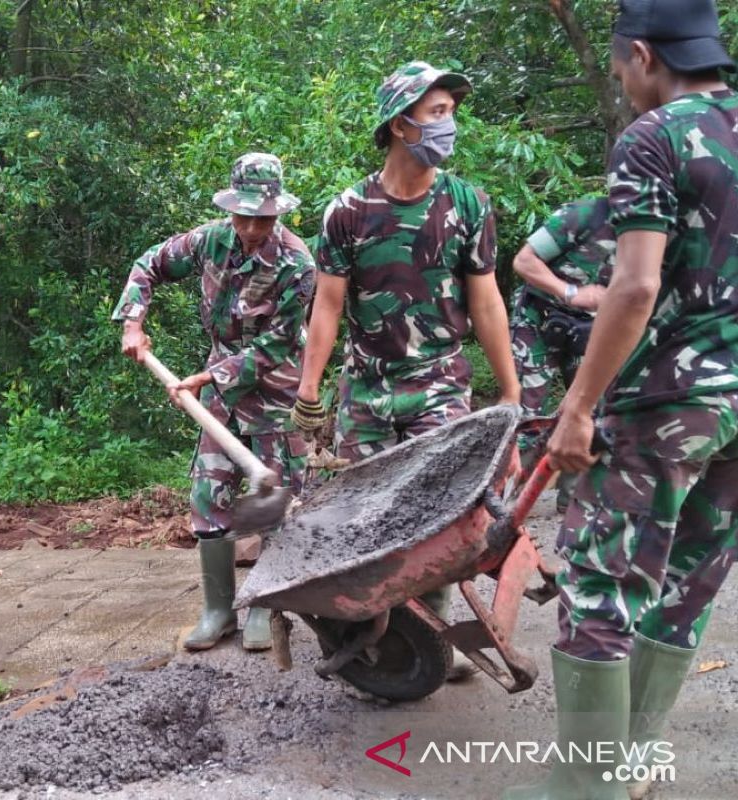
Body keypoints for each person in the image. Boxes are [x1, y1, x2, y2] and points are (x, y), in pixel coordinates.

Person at [508, 2, 737, 798]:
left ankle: (583, 787)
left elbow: (634, 285)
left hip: (666, 407)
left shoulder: (656, 136)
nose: (621, 83)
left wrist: (576, 408)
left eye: (618, 69)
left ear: (643, 54)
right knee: (691, 579)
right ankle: (631, 761)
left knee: (603, 584)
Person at [292, 61, 520, 678]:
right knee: (360, 519)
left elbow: (487, 300)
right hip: (365, 388)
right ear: (401, 124)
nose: (450, 126)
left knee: (438, 515)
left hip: (440, 383)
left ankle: (431, 641)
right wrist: (309, 389)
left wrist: (509, 389)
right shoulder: (348, 211)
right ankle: (368, 632)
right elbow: (328, 305)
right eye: (438, 114)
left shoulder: (467, 203)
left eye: (451, 113)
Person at [114, 152, 315, 653]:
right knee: (210, 495)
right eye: (243, 215)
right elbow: (149, 264)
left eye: (262, 218)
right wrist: (133, 322)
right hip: (221, 393)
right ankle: (219, 611)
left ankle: (266, 607)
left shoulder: (298, 263)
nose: (250, 227)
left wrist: (208, 375)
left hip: (274, 389)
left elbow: (279, 344)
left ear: (278, 213)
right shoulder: (209, 240)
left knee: (273, 500)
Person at [510, 196, 615, 510]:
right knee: (524, 420)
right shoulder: (586, 213)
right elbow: (523, 261)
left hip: (592, 332)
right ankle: (504, 503)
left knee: (592, 415)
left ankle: (573, 503)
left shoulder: (656, 228)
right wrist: (571, 293)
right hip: (539, 320)